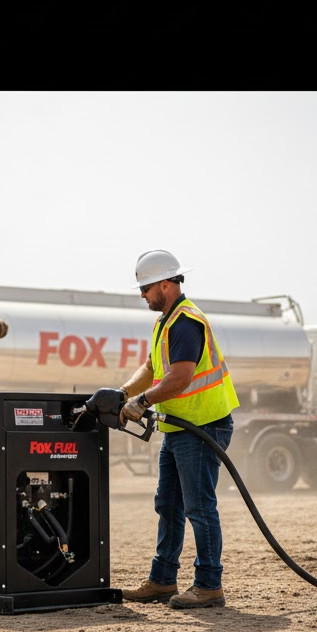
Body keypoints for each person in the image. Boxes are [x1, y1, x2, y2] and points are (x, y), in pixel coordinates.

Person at [114, 249, 240, 609]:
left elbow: (180, 377)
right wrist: (124, 393)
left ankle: (209, 585)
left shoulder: (185, 323)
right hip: (180, 428)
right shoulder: (165, 323)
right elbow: (152, 368)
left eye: (146, 288)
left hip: (202, 426)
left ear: (166, 285)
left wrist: (142, 402)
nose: (143, 295)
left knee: (199, 507)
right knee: (168, 504)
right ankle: (162, 580)